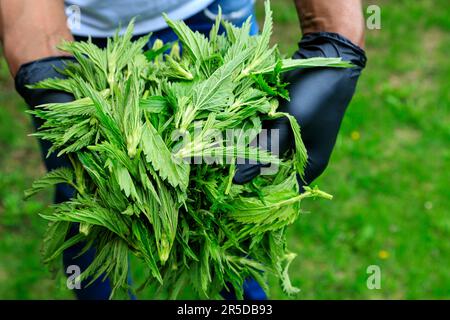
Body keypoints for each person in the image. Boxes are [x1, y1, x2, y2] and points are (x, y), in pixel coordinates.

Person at [0, 0, 366, 300]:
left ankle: (242, 296)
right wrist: (44, 70)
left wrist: (334, 38)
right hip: (71, 39)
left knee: (233, 197)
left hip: (215, 16)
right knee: (87, 198)